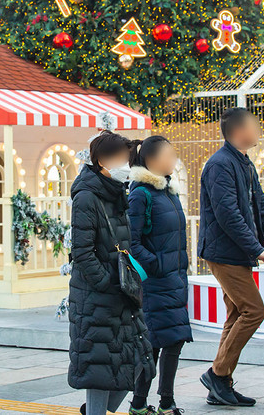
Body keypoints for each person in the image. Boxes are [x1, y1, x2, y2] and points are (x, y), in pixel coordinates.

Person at [197, 108, 264, 407]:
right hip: (223, 252)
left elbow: (261, 207)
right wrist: (257, 249)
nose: (260, 129)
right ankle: (217, 374)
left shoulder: (244, 163)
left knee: (237, 314)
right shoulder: (219, 165)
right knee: (254, 311)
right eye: (255, 125)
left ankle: (220, 384)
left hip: (236, 252)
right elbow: (228, 215)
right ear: (239, 131)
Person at [68, 130, 156, 415]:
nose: (126, 166)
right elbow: (82, 253)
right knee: (100, 366)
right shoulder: (87, 197)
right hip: (97, 296)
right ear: (102, 161)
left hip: (121, 292)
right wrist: (107, 283)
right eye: (121, 159)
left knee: (139, 362)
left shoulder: (117, 192)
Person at [126, 136, 192, 415]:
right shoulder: (141, 193)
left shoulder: (169, 191)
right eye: (170, 154)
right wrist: (156, 266)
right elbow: (131, 241)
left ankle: (166, 401)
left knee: (174, 340)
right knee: (153, 344)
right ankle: (139, 404)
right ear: (151, 160)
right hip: (155, 282)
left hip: (174, 279)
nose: (174, 159)